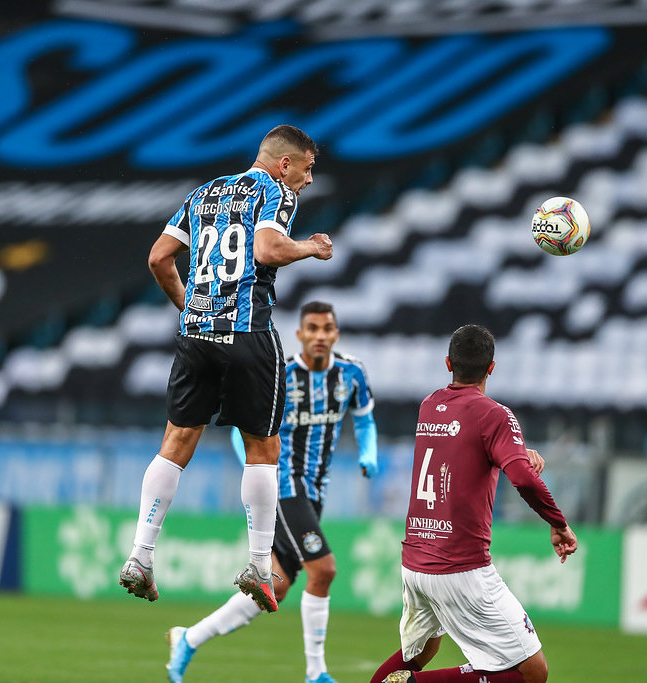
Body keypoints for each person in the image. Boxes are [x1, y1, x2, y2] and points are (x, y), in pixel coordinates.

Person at [120, 125, 333, 613]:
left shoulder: (205, 191)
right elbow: (267, 250)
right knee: (264, 447)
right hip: (246, 333)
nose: (308, 180)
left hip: (196, 333)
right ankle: (260, 564)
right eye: (307, 167)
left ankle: (140, 556)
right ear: (285, 164)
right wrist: (311, 248)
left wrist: (188, 307)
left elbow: (158, 258)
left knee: (174, 443)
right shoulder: (274, 191)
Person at [166, 301, 378, 683]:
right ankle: (316, 673)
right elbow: (241, 432)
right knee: (324, 569)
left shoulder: (352, 373)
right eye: (311, 328)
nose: (319, 335)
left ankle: (188, 638)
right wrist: (257, 475)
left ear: (335, 334)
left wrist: (369, 452)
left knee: (275, 588)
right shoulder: (283, 374)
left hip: (314, 492)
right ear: (299, 335)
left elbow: (364, 419)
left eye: (326, 328)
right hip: (283, 488)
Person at [372, 324, 578, 683]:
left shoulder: (429, 405)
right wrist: (558, 524)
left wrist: (514, 452)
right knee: (532, 672)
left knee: (420, 651)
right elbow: (524, 478)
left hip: (416, 561)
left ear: (448, 363)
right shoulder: (495, 415)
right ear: (492, 367)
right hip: (460, 568)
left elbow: (463, 447)